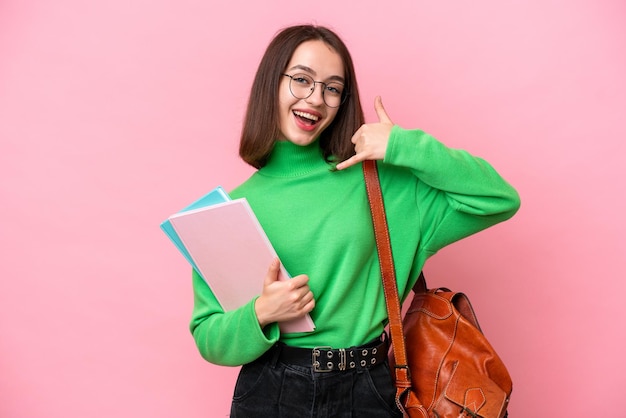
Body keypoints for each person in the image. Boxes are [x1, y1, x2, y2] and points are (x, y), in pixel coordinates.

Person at [189, 24, 520, 417]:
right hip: (271, 392)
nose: (316, 99)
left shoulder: (381, 184)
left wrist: (403, 146)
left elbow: (498, 199)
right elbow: (209, 336)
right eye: (301, 80)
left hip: (368, 388)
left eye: (332, 88)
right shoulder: (232, 209)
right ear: (271, 84)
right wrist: (261, 313)